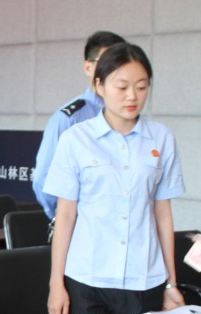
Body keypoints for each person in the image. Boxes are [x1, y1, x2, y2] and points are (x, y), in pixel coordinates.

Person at [44, 42, 186, 314]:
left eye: (141, 87)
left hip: (145, 278)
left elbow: (162, 214)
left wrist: (171, 283)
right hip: (87, 278)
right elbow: (66, 215)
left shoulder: (162, 138)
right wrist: (56, 284)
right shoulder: (75, 139)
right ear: (99, 85)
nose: (132, 96)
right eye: (122, 87)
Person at [32, 30, 126, 223]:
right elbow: (43, 179)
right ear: (88, 67)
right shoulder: (69, 118)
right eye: (106, 63)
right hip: (80, 227)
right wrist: (64, 218)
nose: (114, 71)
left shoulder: (129, 118)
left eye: (120, 64)